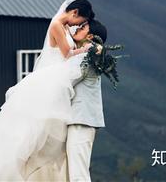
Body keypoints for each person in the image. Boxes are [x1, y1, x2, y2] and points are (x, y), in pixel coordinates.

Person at [0, 0, 96, 182]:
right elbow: (67, 54)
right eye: (81, 21)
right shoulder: (56, 25)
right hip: (53, 76)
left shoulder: (66, 28)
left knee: (44, 126)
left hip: (56, 77)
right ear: (74, 12)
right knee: (36, 127)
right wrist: (86, 50)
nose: (79, 25)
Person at [25, 18, 107, 182]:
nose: (78, 27)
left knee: (78, 174)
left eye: (83, 27)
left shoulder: (89, 55)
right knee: (71, 173)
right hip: (76, 120)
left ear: (90, 36)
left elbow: (66, 79)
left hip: (83, 121)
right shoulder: (82, 54)